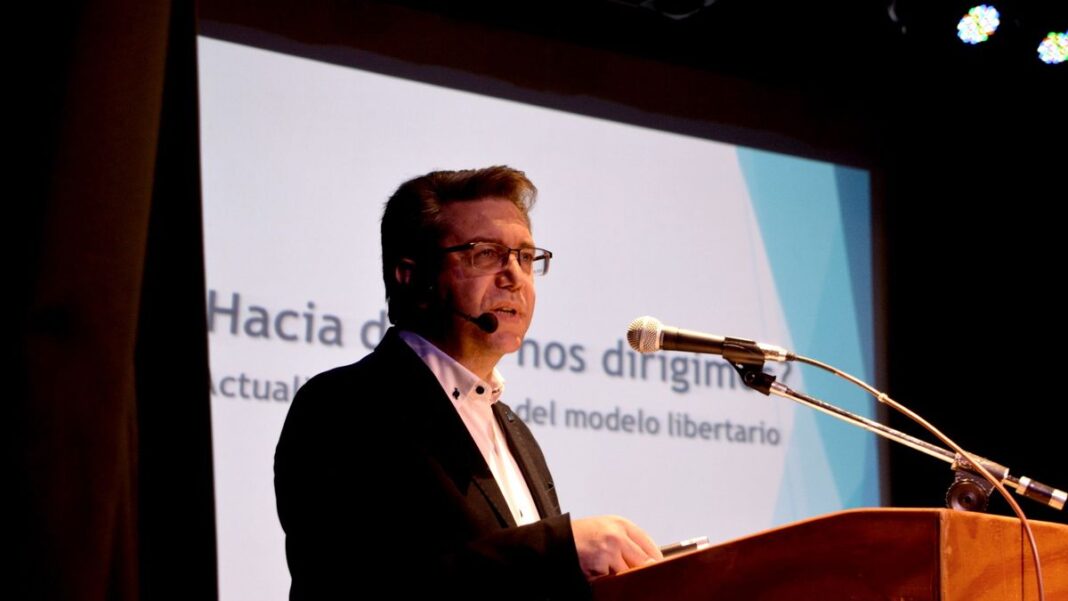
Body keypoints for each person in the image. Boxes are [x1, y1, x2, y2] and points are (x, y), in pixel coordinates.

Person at [274, 166, 661, 600]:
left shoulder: (513, 430)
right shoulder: (344, 406)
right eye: (486, 254)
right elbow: (359, 581)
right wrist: (561, 548)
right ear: (411, 275)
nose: (515, 276)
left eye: (526, 257)